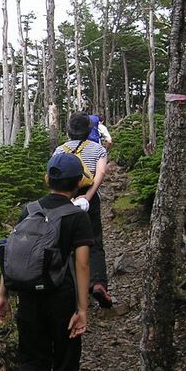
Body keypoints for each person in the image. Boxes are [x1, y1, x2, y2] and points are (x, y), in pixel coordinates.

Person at [0, 152, 93, 371]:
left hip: (28, 299)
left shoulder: (29, 210)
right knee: (65, 362)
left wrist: (3, 295)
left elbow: (12, 254)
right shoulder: (77, 216)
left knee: (33, 359)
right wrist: (82, 309)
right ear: (78, 182)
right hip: (61, 300)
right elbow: (82, 265)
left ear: (48, 179)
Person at [56, 112, 112, 308]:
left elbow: (53, 176)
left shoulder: (60, 150)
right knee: (94, 241)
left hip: (66, 199)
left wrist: (67, 199)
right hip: (90, 199)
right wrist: (87, 196)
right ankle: (98, 283)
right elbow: (101, 172)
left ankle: (75, 291)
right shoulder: (98, 149)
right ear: (89, 129)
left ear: (69, 130)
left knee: (69, 244)